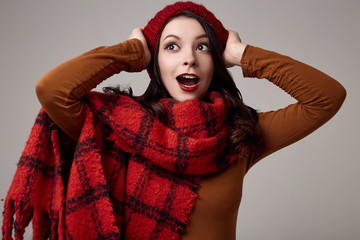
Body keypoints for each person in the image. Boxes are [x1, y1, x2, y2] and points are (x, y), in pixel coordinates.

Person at [2, 1, 346, 240]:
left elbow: (326, 98)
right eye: (171, 47)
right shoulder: (115, 127)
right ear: (155, 61)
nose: (188, 60)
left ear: (216, 60)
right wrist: (133, 50)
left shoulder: (241, 136)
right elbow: (52, 90)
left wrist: (241, 54)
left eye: (202, 47)